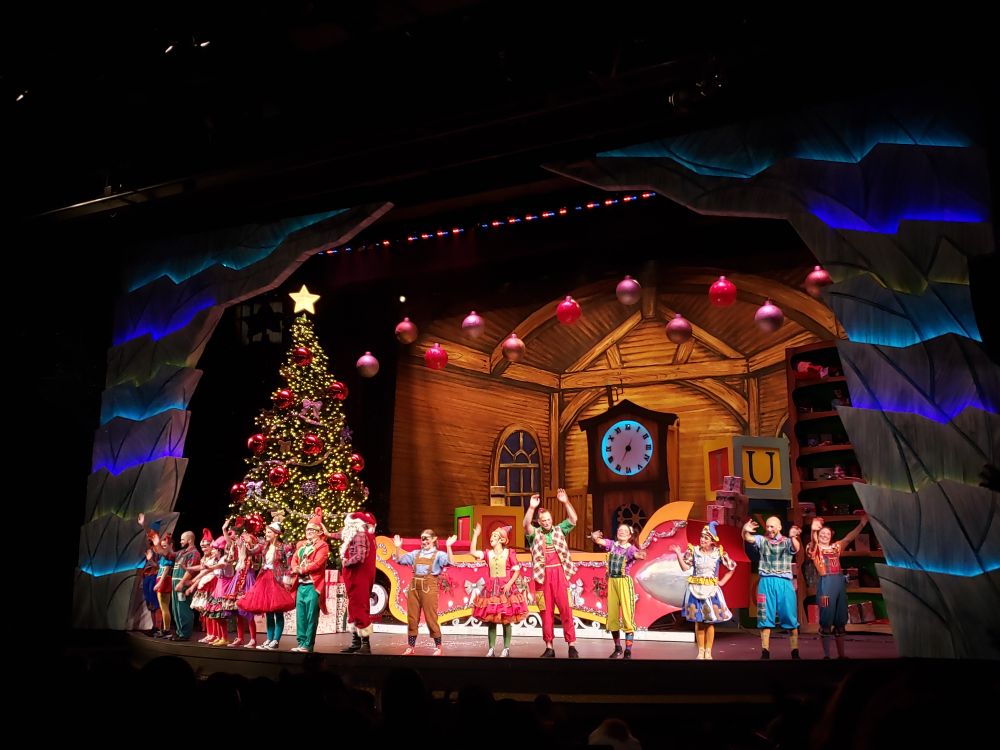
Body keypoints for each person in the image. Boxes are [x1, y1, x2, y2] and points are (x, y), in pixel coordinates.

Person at [524, 489, 580, 658]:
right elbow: (526, 525)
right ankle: (549, 646)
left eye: (548, 519)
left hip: (559, 574)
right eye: (543, 520)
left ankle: (572, 644)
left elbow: (573, 519)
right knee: (545, 612)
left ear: (552, 520)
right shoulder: (534, 534)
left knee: (566, 609)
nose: (547, 522)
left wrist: (565, 502)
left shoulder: (559, 529)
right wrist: (532, 508)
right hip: (542, 577)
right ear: (539, 522)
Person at [673, 521, 736, 659]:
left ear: (712, 541)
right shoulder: (693, 551)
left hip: (711, 591)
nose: (702, 539)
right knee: (699, 621)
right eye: (702, 537)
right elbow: (685, 568)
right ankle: (700, 651)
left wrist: (722, 581)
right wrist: (678, 554)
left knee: (709, 621)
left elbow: (731, 567)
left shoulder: (718, 553)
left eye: (706, 538)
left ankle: (708, 651)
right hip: (695, 590)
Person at [807, 514, 868, 659]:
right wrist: (813, 530)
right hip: (825, 587)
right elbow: (813, 543)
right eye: (822, 533)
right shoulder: (814, 548)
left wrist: (862, 524)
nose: (824, 535)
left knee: (840, 623)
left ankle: (842, 655)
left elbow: (849, 538)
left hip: (839, 586)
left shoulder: (836, 547)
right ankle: (827, 655)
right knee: (826, 623)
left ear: (831, 536)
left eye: (827, 534)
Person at [743, 516, 802, 659]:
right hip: (766, 582)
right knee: (765, 616)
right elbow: (748, 538)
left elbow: (796, 548)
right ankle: (765, 651)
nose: (769, 529)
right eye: (768, 526)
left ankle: (794, 651)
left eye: (772, 527)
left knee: (789, 616)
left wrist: (794, 537)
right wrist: (745, 530)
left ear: (779, 527)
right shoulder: (762, 540)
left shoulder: (787, 541)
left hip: (784, 582)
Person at [391, 529, 458, 655]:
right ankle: (411, 647)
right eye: (422, 538)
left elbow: (451, 562)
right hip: (414, 587)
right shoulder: (415, 554)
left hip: (429, 586)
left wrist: (449, 547)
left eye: (427, 538)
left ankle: (438, 647)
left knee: (431, 617)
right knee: (412, 617)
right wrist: (398, 548)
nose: (424, 541)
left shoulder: (439, 555)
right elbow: (399, 560)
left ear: (433, 539)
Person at [591, 524, 651, 659]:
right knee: (612, 616)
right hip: (612, 582)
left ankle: (628, 649)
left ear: (630, 535)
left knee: (627, 616)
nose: (622, 533)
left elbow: (636, 554)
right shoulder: (612, 545)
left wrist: (639, 555)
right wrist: (595, 537)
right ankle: (617, 647)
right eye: (620, 530)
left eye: (625, 531)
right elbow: (599, 540)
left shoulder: (630, 549)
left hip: (624, 582)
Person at [238, 513, 296, 651]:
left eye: (269, 532)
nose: (266, 534)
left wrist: (287, 579)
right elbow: (251, 552)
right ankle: (269, 639)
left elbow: (289, 565)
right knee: (268, 612)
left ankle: (276, 640)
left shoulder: (284, 547)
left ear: (276, 534)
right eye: (266, 532)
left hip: (277, 580)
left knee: (277, 611)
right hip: (264, 578)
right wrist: (245, 544)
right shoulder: (264, 546)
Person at [468, 523, 528, 657]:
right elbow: (472, 552)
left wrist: (508, 584)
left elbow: (517, 571)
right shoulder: (487, 553)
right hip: (491, 589)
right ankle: (491, 648)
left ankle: (506, 648)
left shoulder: (509, 553)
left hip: (505, 588)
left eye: (494, 536)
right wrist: (475, 535)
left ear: (501, 539)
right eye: (491, 536)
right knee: (491, 620)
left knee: (506, 619)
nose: (491, 538)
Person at [330, 511, 378, 655]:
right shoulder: (359, 535)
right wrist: (328, 534)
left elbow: (360, 556)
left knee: (360, 607)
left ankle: (365, 644)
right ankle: (356, 642)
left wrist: (346, 562)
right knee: (355, 607)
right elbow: (341, 535)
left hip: (359, 578)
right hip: (355, 579)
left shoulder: (360, 535)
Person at [289, 508, 331, 653]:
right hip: (301, 584)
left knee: (311, 616)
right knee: (300, 615)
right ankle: (300, 642)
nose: (309, 533)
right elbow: (294, 559)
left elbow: (318, 563)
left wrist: (302, 570)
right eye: (307, 530)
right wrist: (295, 568)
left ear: (319, 532)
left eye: (312, 531)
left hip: (314, 585)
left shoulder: (323, 546)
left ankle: (308, 644)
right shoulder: (301, 545)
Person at [169, 530, 201, 641]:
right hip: (176, 584)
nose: (181, 541)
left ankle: (185, 634)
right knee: (176, 609)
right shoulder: (181, 552)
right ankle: (179, 632)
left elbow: (190, 571)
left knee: (183, 608)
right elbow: (167, 554)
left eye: (183, 539)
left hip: (182, 585)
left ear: (190, 540)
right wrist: (157, 542)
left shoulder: (194, 553)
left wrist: (181, 583)